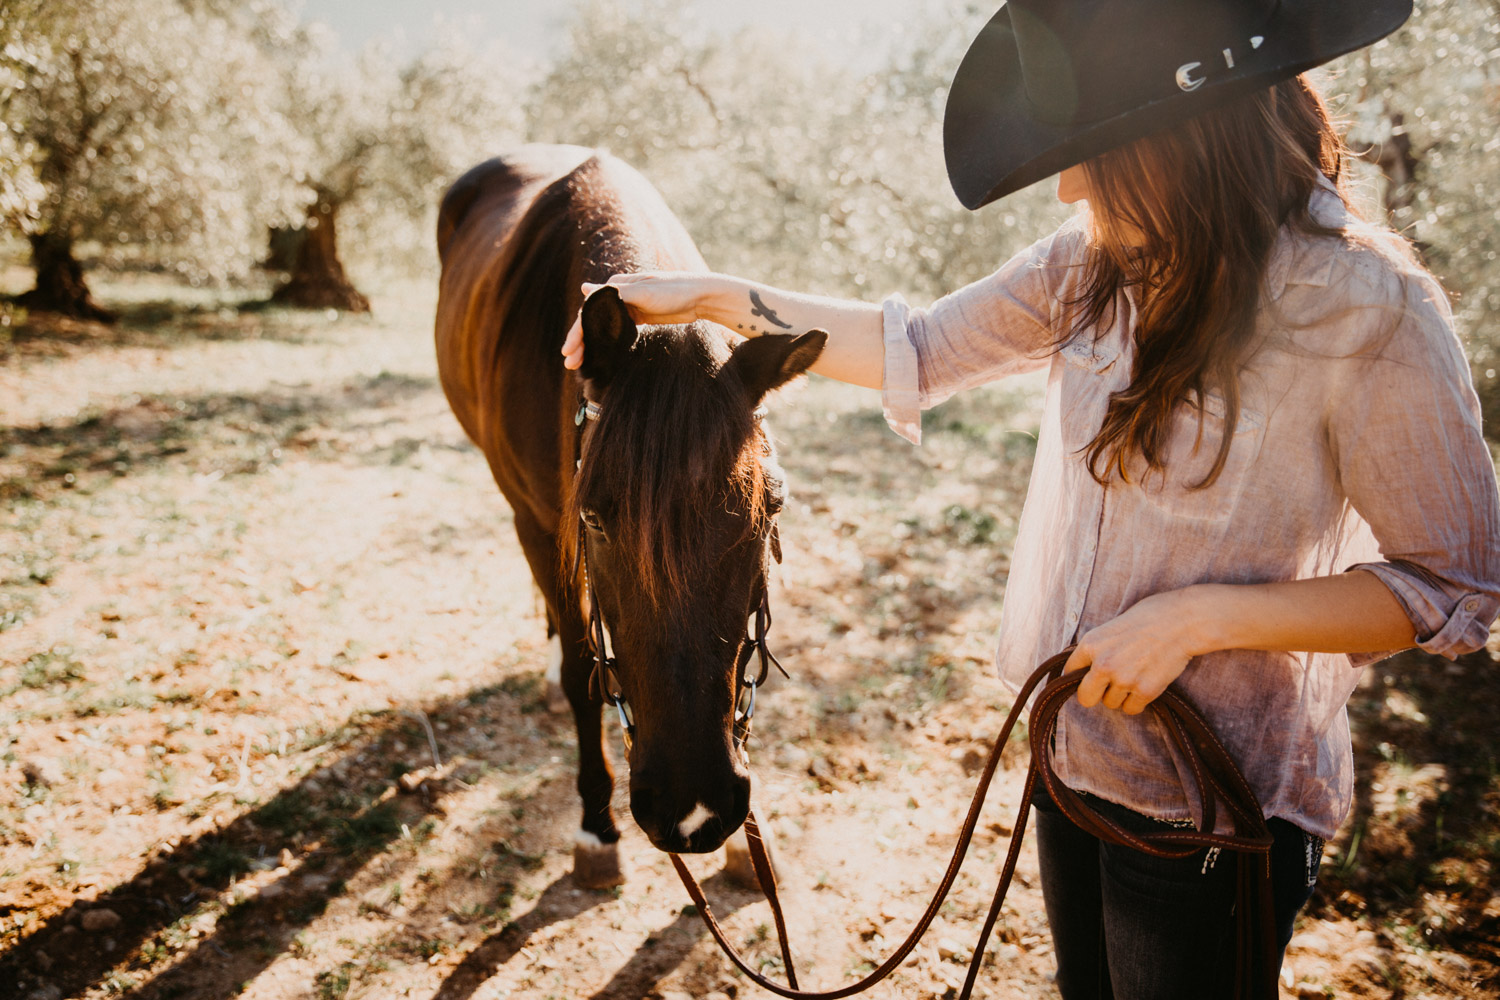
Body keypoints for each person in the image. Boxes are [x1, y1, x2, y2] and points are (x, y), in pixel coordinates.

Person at [561, 1, 1500, 996]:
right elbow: (915, 348)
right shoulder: (1091, 269)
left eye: (1092, 151)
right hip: (1074, 762)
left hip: (1211, 816)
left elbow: (1451, 580)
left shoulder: (1369, 310)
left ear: (1186, 139)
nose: (1065, 184)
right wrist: (710, 294)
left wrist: (1198, 620)